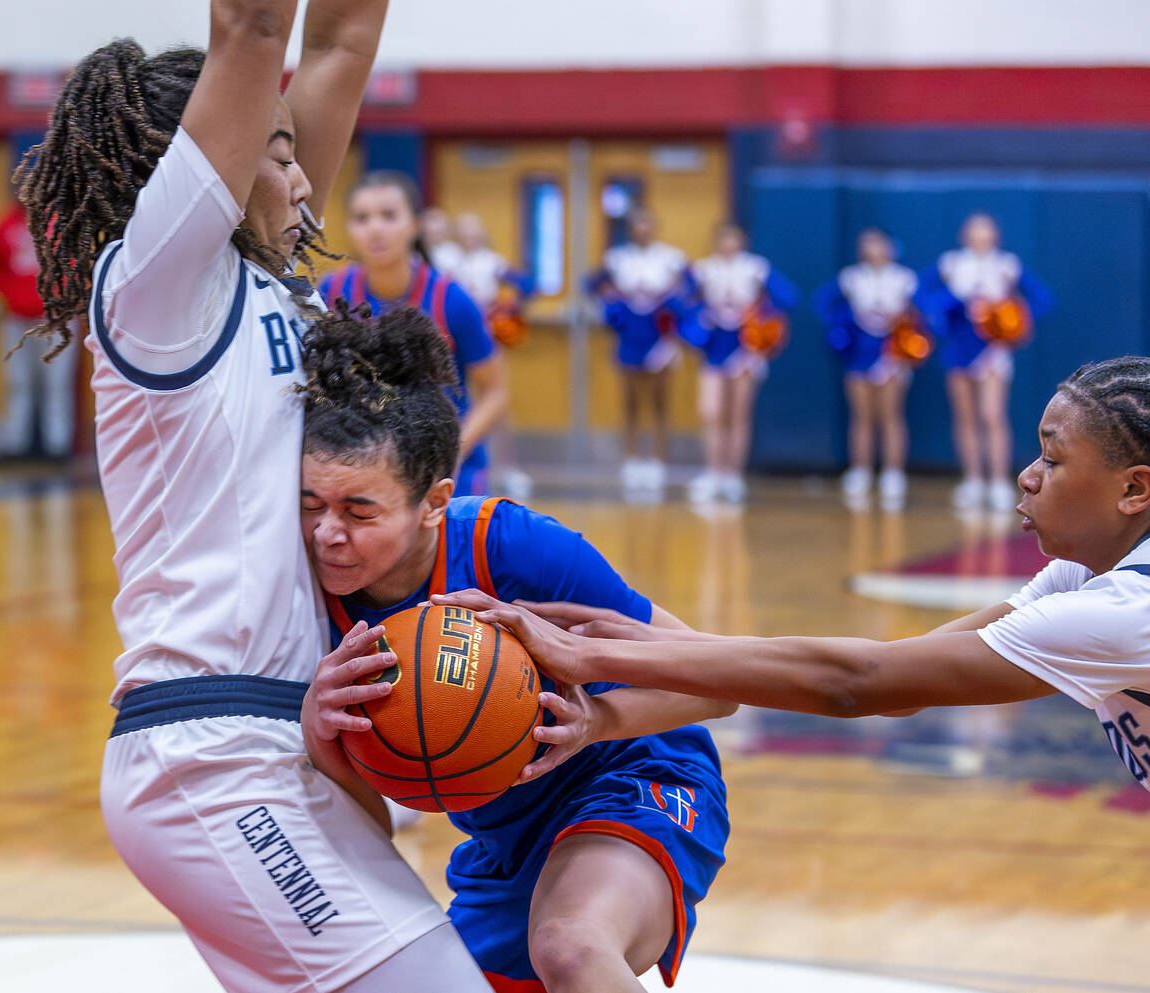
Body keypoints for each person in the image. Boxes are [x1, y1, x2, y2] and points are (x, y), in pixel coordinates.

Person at [15, 3, 494, 990]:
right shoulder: (157, 289)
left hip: (299, 743)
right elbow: (255, 29)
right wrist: (255, 83)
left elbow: (340, 43)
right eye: (276, 152)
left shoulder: (275, 279)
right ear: (206, 173)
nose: (305, 176)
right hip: (213, 754)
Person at [434, 356, 1150, 794]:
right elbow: (900, 680)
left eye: (1052, 461)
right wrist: (656, 649)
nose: (1027, 477)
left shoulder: (1127, 607)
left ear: (1133, 489)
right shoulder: (1083, 577)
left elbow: (859, 684)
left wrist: (589, 656)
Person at [298, 302, 731, 993]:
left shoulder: (511, 547)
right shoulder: (302, 595)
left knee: (572, 947)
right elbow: (371, 832)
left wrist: (600, 719)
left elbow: (717, 683)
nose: (326, 533)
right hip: (504, 840)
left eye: (358, 510)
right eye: (310, 503)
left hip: (632, 776)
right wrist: (321, 729)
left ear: (434, 502)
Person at [320, 174, 507, 496]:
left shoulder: (452, 300)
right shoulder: (331, 292)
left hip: (445, 472)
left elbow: (495, 392)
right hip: (362, 465)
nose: (375, 228)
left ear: (415, 225)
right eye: (362, 218)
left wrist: (453, 451)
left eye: (389, 215)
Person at [921, 213, 1053, 513]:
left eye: (986, 231)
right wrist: (951, 301)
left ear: (995, 235)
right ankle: (973, 480)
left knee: (992, 414)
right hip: (958, 348)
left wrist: (1015, 320)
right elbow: (923, 297)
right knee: (965, 416)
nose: (980, 236)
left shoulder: (1006, 265)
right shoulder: (951, 264)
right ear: (964, 234)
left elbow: (1042, 299)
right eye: (974, 230)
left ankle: (997, 481)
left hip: (993, 349)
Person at [685, 221, 798, 505]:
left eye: (734, 238)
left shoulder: (755, 268)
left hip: (745, 347)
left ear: (743, 241)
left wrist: (760, 314)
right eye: (724, 238)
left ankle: (733, 476)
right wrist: (701, 317)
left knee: (738, 413)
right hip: (714, 347)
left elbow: (788, 296)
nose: (729, 244)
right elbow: (682, 302)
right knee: (711, 412)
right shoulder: (704, 269)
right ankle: (713, 473)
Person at [816, 229, 926, 512]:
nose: (875, 249)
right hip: (859, 354)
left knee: (891, 414)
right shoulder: (852, 277)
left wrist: (905, 330)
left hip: (891, 353)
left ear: (890, 247)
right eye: (869, 244)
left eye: (880, 244)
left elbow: (923, 313)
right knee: (862, 415)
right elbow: (822, 302)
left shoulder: (904, 279)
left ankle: (893, 472)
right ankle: (861, 469)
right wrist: (844, 327)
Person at [587, 208, 689, 502]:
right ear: (631, 229)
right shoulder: (618, 259)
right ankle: (631, 458)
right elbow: (591, 283)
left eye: (647, 224)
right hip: (631, 335)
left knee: (660, 400)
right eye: (638, 225)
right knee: (630, 400)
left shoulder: (670, 258)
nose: (642, 230)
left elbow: (692, 287)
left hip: (659, 337)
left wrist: (672, 298)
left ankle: (658, 460)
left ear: (655, 227)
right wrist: (612, 298)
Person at [453, 211, 537, 499]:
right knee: (463, 401)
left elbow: (526, 285)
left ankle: (507, 468)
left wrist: (508, 310)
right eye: (463, 231)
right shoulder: (451, 263)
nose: (469, 236)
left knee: (496, 402)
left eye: (473, 230)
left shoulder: (492, 262)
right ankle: (466, 464)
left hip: (487, 339)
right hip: (455, 342)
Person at [0, 199, 77, 463]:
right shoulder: (4, 225)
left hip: (55, 316)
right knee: (17, 382)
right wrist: (10, 297)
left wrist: (62, 299)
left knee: (57, 383)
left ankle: (57, 445)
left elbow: (74, 263)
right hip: (16, 318)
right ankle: (16, 443)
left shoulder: (60, 222)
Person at [420, 205, 463, 277]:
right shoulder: (420, 251)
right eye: (431, 232)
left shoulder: (454, 251)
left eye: (438, 232)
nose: (435, 229)